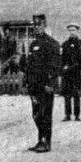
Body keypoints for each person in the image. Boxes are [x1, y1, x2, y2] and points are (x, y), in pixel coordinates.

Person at [20, 15, 61, 153]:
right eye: (35, 26)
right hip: (34, 85)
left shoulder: (52, 43)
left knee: (45, 114)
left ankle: (45, 142)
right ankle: (40, 140)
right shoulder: (34, 44)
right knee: (36, 114)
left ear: (44, 26)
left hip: (45, 85)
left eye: (39, 25)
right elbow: (30, 66)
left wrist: (50, 83)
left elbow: (55, 66)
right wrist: (26, 81)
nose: (36, 28)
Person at [60, 23, 81, 122]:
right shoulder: (64, 45)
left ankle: (77, 115)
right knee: (67, 95)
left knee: (76, 94)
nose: (72, 32)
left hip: (77, 72)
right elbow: (61, 60)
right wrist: (63, 69)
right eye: (70, 30)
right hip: (67, 73)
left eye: (74, 30)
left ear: (77, 31)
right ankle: (67, 115)